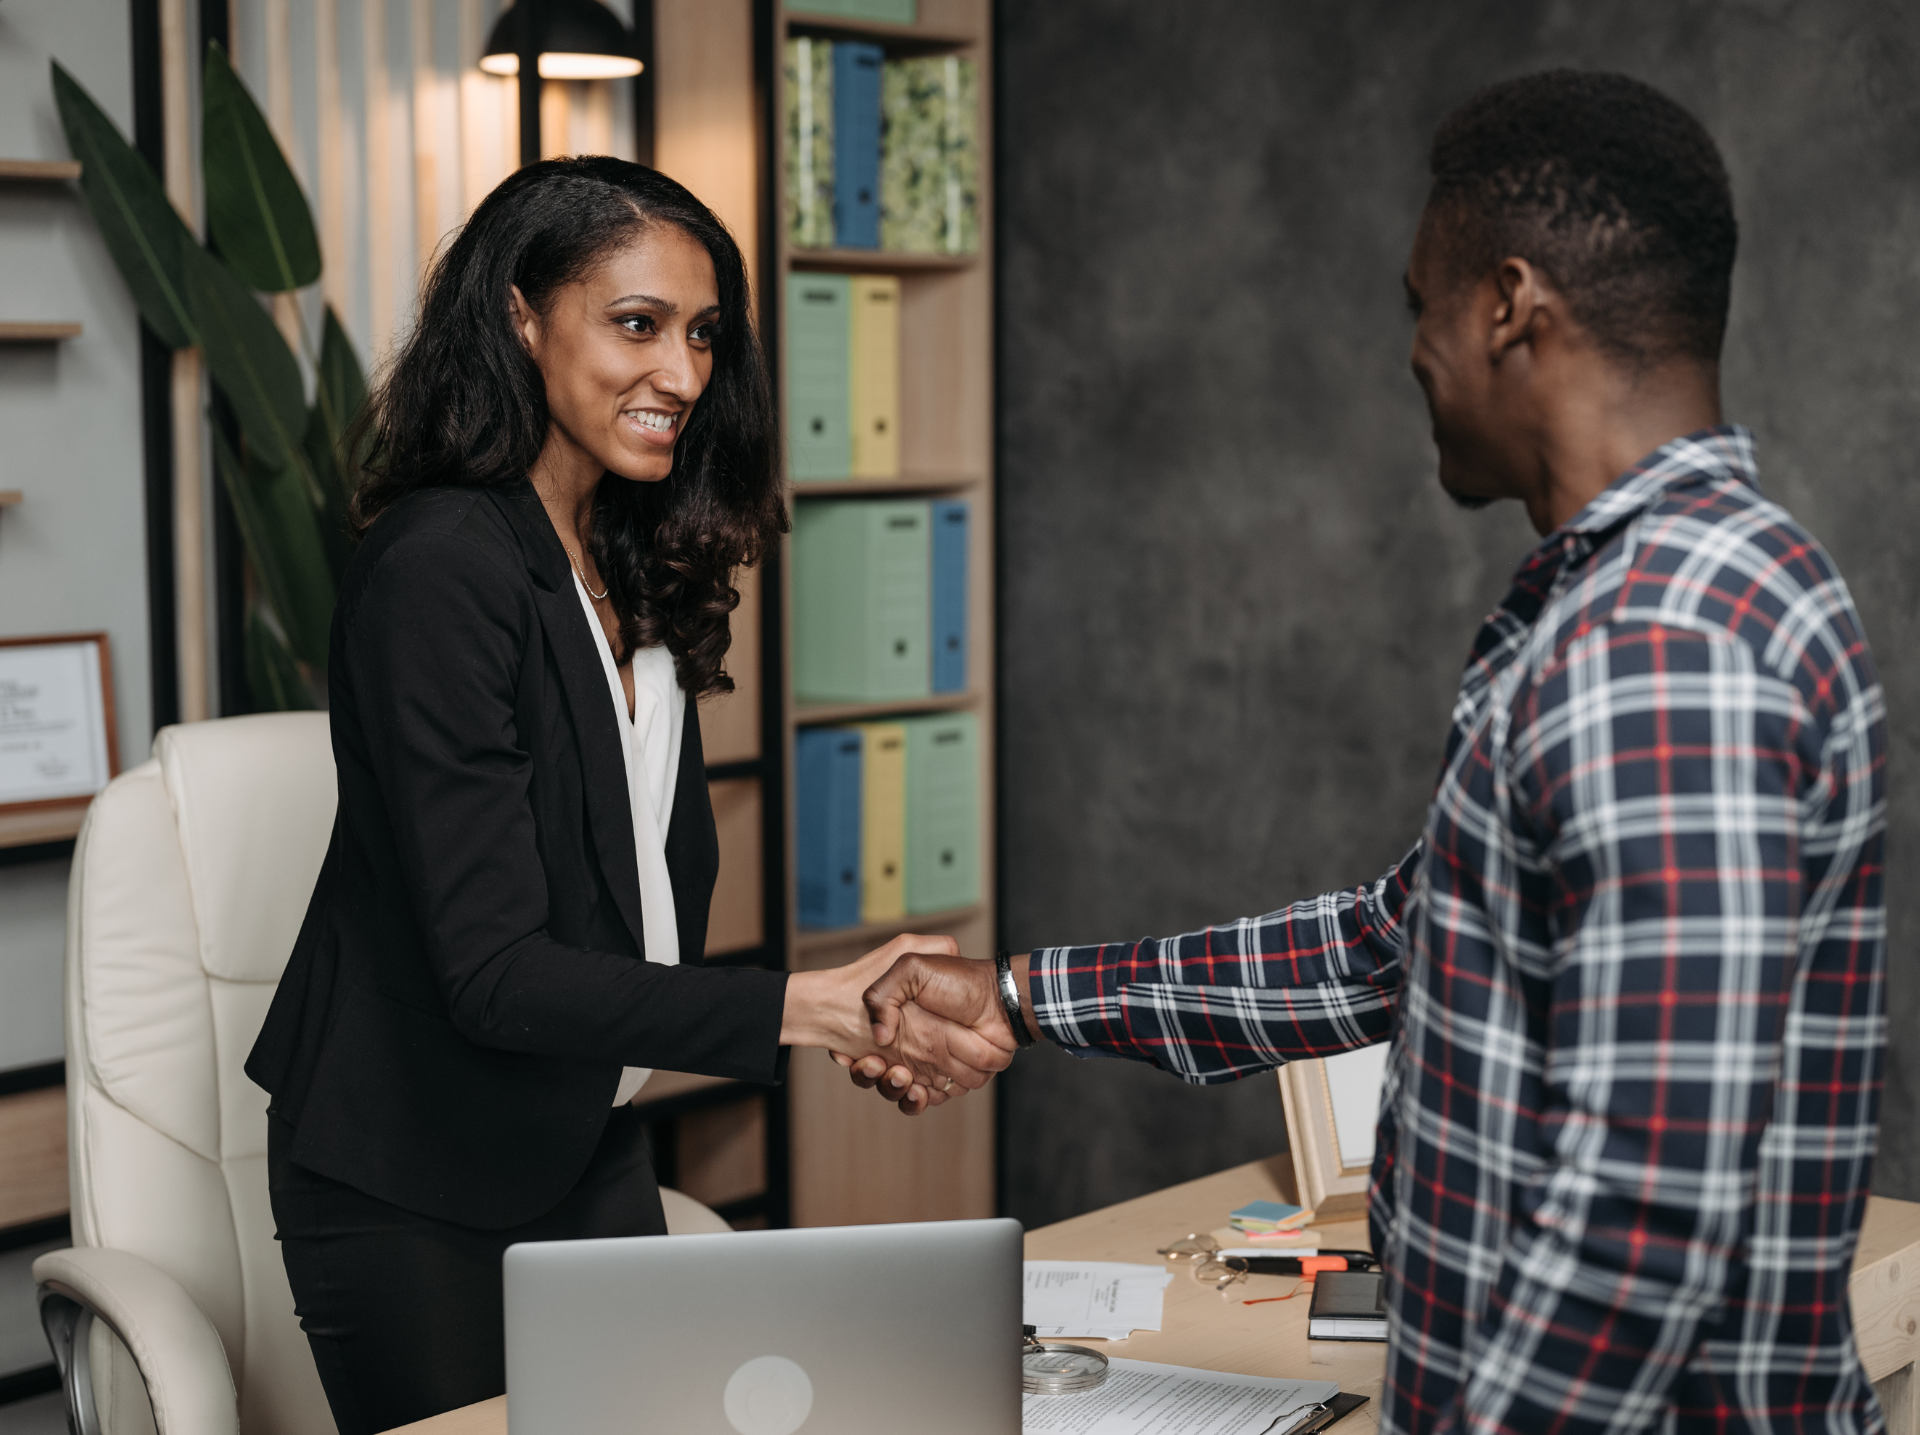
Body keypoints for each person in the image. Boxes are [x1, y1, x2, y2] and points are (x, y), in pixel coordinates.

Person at [852, 71, 1889, 1435]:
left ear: (1509, 304)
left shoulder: (1664, 646)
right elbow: (1393, 946)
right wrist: (1020, 993)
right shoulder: (1667, 595)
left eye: (1423, 302)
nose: (1413, 350)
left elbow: (1645, 1218)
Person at [244, 157, 1004, 1435]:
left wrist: (828, 1019)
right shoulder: (438, 566)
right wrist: (812, 1008)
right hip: (410, 1173)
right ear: (521, 317)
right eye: (636, 324)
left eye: (703, 334)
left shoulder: (615, 549)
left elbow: (624, 891)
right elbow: (493, 972)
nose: (685, 374)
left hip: (577, 1131)